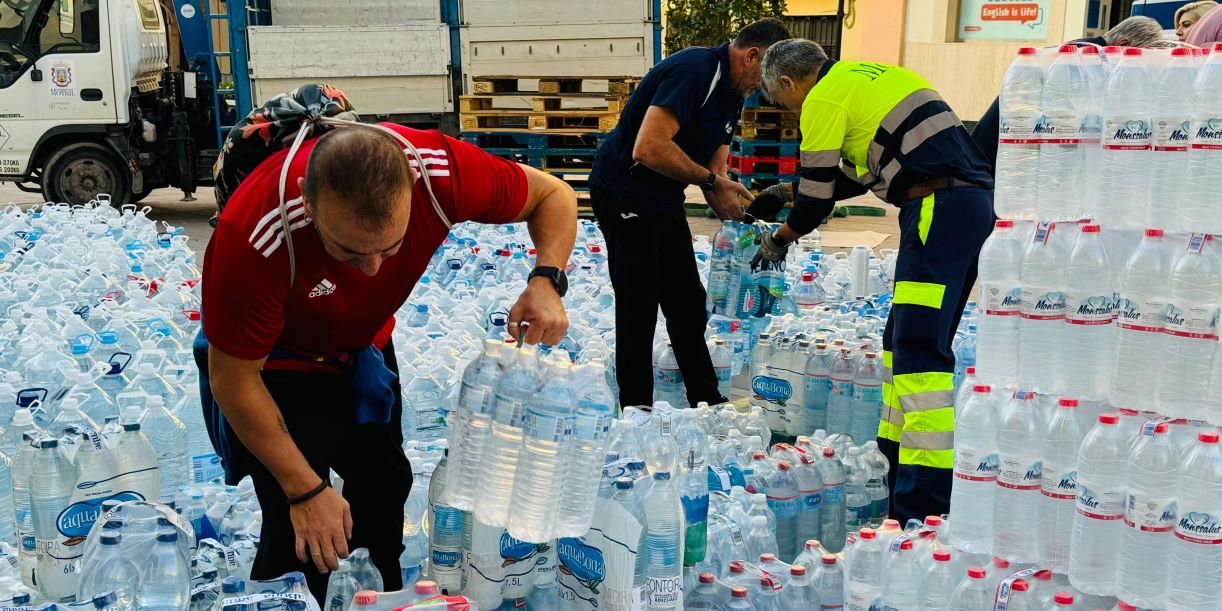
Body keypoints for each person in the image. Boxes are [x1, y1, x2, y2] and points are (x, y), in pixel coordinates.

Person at [196, 122, 577, 601]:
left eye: (390, 248)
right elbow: (232, 380)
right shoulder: (254, 235)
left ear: (414, 191)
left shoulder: (440, 173)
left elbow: (554, 195)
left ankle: (382, 594)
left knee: (383, 488)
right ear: (309, 205)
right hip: (281, 364)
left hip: (363, 349)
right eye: (349, 253)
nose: (374, 269)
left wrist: (545, 280)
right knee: (304, 532)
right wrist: (306, 492)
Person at [754, 39, 994, 523]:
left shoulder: (821, 98)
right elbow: (857, 177)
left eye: (783, 103)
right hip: (968, 208)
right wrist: (784, 190)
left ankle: (924, 507)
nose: (789, 111)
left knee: (919, 355)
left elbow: (818, 202)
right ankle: (895, 468)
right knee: (899, 340)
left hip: (935, 210)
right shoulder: (869, 73)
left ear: (788, 82)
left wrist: (780, 238)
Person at [587, 18, 790, 408]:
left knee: (686, 303)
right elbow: (647, 147)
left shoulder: (733, 94)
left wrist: (745, 225)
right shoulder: (695, 70)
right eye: (770, 76)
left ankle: (706, 400)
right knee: (639, 305)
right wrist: (714, 185)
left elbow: (716, 173)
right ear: (753, 56)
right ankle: (637, 411)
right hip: (623, 192)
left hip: (662, 198)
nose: (766, 89)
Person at [969, 15, 1168, 173]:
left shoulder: (1075, 52)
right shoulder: (1085, 60)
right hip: (1003, 164)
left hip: (995, 156)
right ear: (1123, 45)